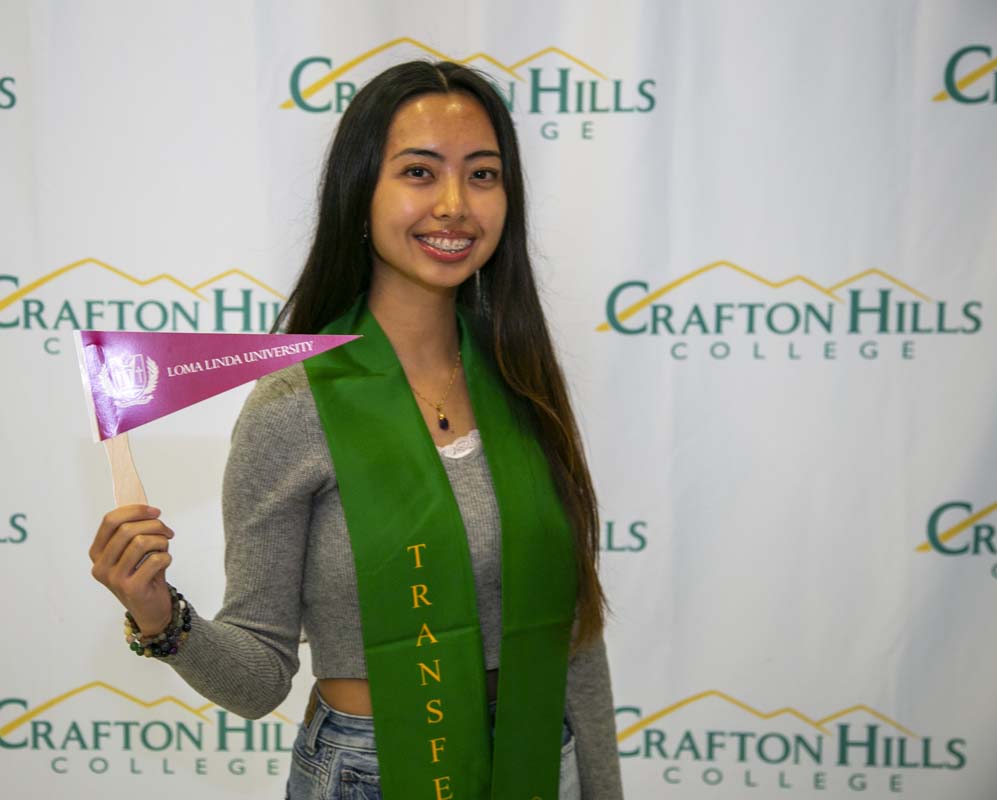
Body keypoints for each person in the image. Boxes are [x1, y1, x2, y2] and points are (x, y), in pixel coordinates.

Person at [89, 60, 623, 800]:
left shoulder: (520, 379)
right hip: (373, 773)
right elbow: (259, 675)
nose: (454, 205)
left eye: (483, 175)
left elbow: (576, 638)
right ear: (360, 192)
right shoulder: (295, 404)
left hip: (539, 761)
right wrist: (158, 615)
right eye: (418, 172)